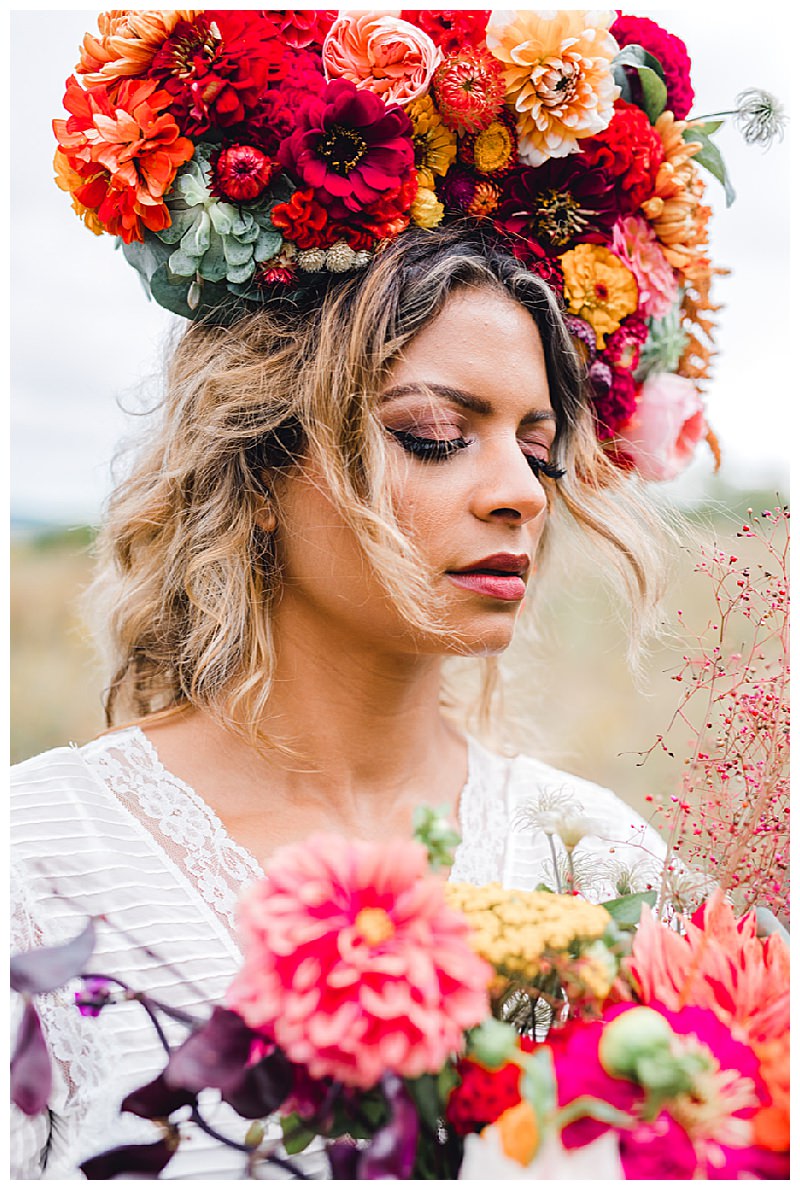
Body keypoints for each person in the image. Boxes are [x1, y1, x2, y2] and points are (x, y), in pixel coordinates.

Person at [11, 224, 675, 1178]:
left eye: (537, 449)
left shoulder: (602, 860)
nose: (521, 494)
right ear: (260, 465)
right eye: (435, 438)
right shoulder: (36, 866)